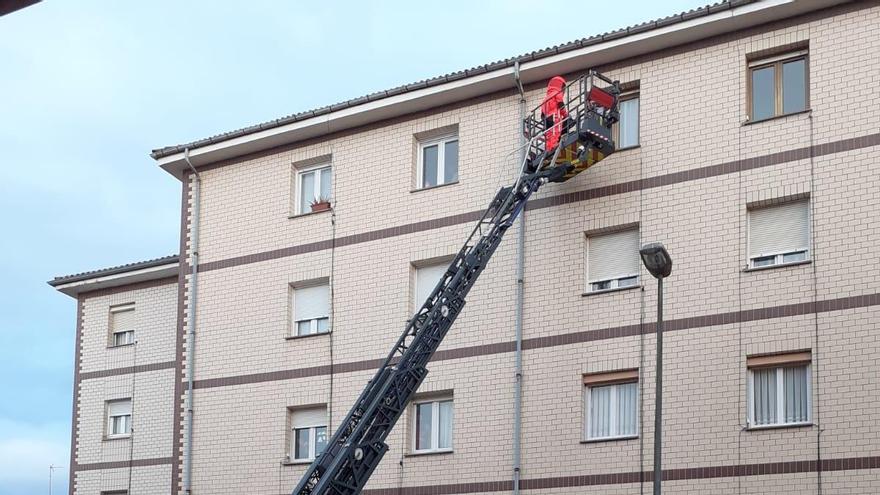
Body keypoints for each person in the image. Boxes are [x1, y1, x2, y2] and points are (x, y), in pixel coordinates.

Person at [540, 76, 568, 152]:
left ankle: (548, 148)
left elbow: (542, 112)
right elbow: (560, 104)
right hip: (555, 116)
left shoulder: (546, 98)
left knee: (548, 134)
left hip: (546, 118)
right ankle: (554, 145)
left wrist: (544, 118)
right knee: (556, 131)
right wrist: (566, 115)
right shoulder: (557, 93)